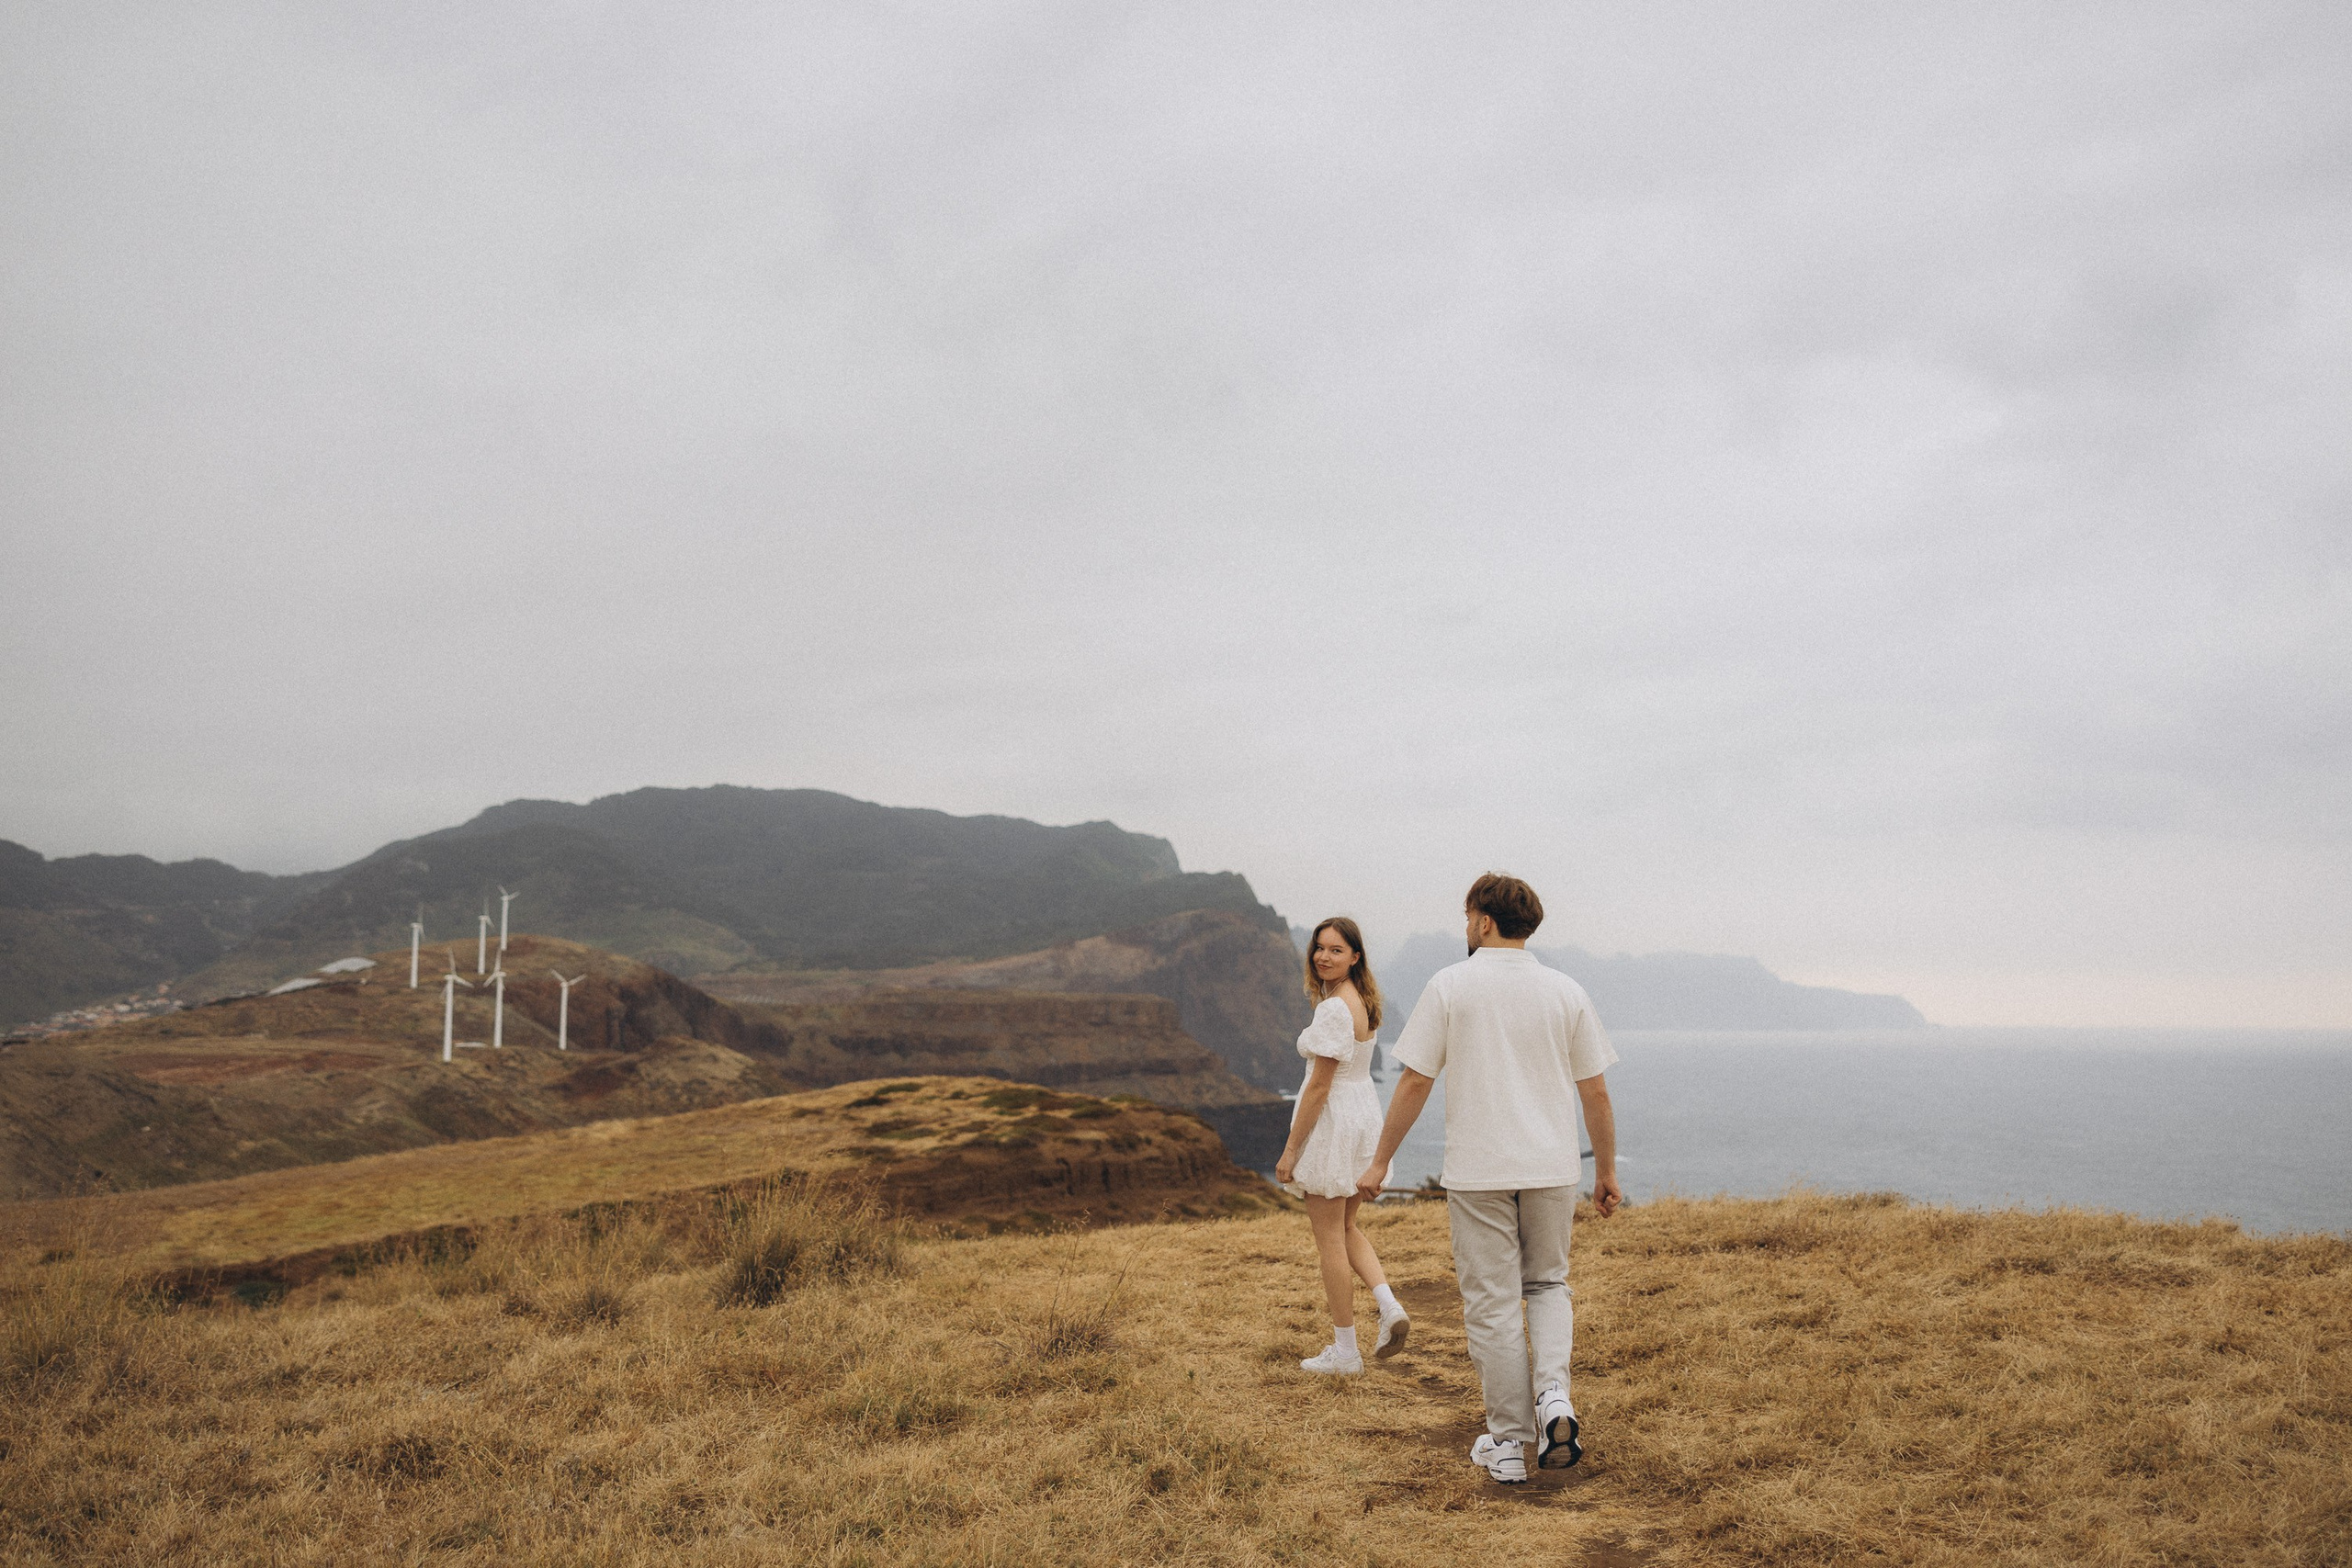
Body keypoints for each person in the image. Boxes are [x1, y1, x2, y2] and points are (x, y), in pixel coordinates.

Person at [1357, 873, 1622, 1485]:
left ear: (1481, 919)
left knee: (1495, 1303)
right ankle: (1556, 1399)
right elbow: (1597, 1089)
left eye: (1466, 915)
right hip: (1553, 1168)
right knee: (1549, 1284)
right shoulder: (1566, 990)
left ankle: (1507, 1443)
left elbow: (1416, 1080)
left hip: (1479, 1172)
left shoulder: (1450, 985)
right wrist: (1604, 1169)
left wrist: (1377, 1162)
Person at [1274, 916, 1409, 1375]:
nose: (1324, 956)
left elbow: (1317, 1087)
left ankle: (1346, 1352)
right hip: (1360, 1116)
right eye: (1320, 948)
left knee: (1329, 1239)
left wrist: (1292, 1151)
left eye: (1336, 950)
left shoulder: (1333, 1009)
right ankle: (1389, 1306)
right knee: (1348, 1227)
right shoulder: (1361, 1003)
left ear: (1355, 957)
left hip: (1333, 1122)